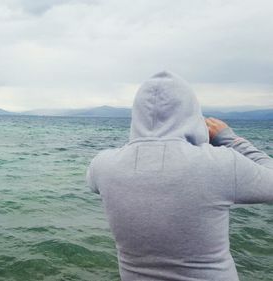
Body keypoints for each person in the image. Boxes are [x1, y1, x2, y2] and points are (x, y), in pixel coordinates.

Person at [86, 71, 273, 280]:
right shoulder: (221, 163)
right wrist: (230, 139)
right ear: (193, 115)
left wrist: (142, 141)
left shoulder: (102, 166)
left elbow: (96, 182)